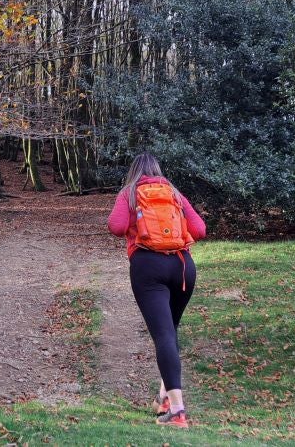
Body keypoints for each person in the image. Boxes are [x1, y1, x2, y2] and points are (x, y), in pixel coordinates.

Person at [108, 152, 206, 429]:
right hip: (183, 266)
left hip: (148, 267)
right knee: (170, 332)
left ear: (134, 172)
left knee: (164, 335)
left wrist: (136, 227)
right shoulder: (174, 193)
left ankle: (177, 411)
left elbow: (115, 227)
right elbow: (199, 229)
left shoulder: (129, 192)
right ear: (158, 170)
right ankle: (164, 397)